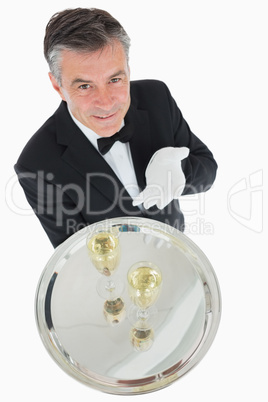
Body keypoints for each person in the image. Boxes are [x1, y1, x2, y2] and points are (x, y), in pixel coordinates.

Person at [14, 8, 217, 248]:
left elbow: (207, 170)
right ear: (57, 86)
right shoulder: (36, 164)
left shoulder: (156, 97)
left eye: (115, 80)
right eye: (85, 86)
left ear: (128, 70)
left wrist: (179, 172)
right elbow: (75, 256)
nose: (107, 102)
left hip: (178, 251)